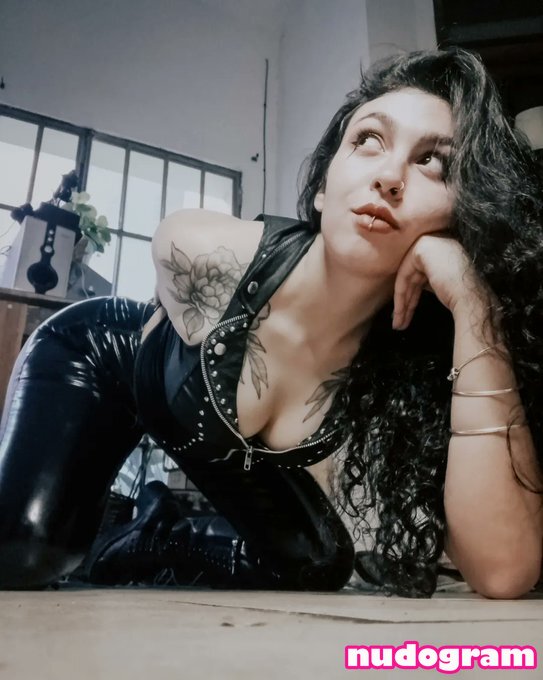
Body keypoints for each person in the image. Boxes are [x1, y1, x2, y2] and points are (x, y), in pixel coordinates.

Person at [1, 48, 542, 599]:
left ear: (461, 218)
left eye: (433, 163)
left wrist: (474, 305)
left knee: (319, 564)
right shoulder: (207, 253)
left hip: (222, 450)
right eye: (368, 140)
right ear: (323, 187)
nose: (389, 177)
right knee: (25, 553)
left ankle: (153, 534)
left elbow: (503, 571)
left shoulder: (409, 372)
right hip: (101, 361)